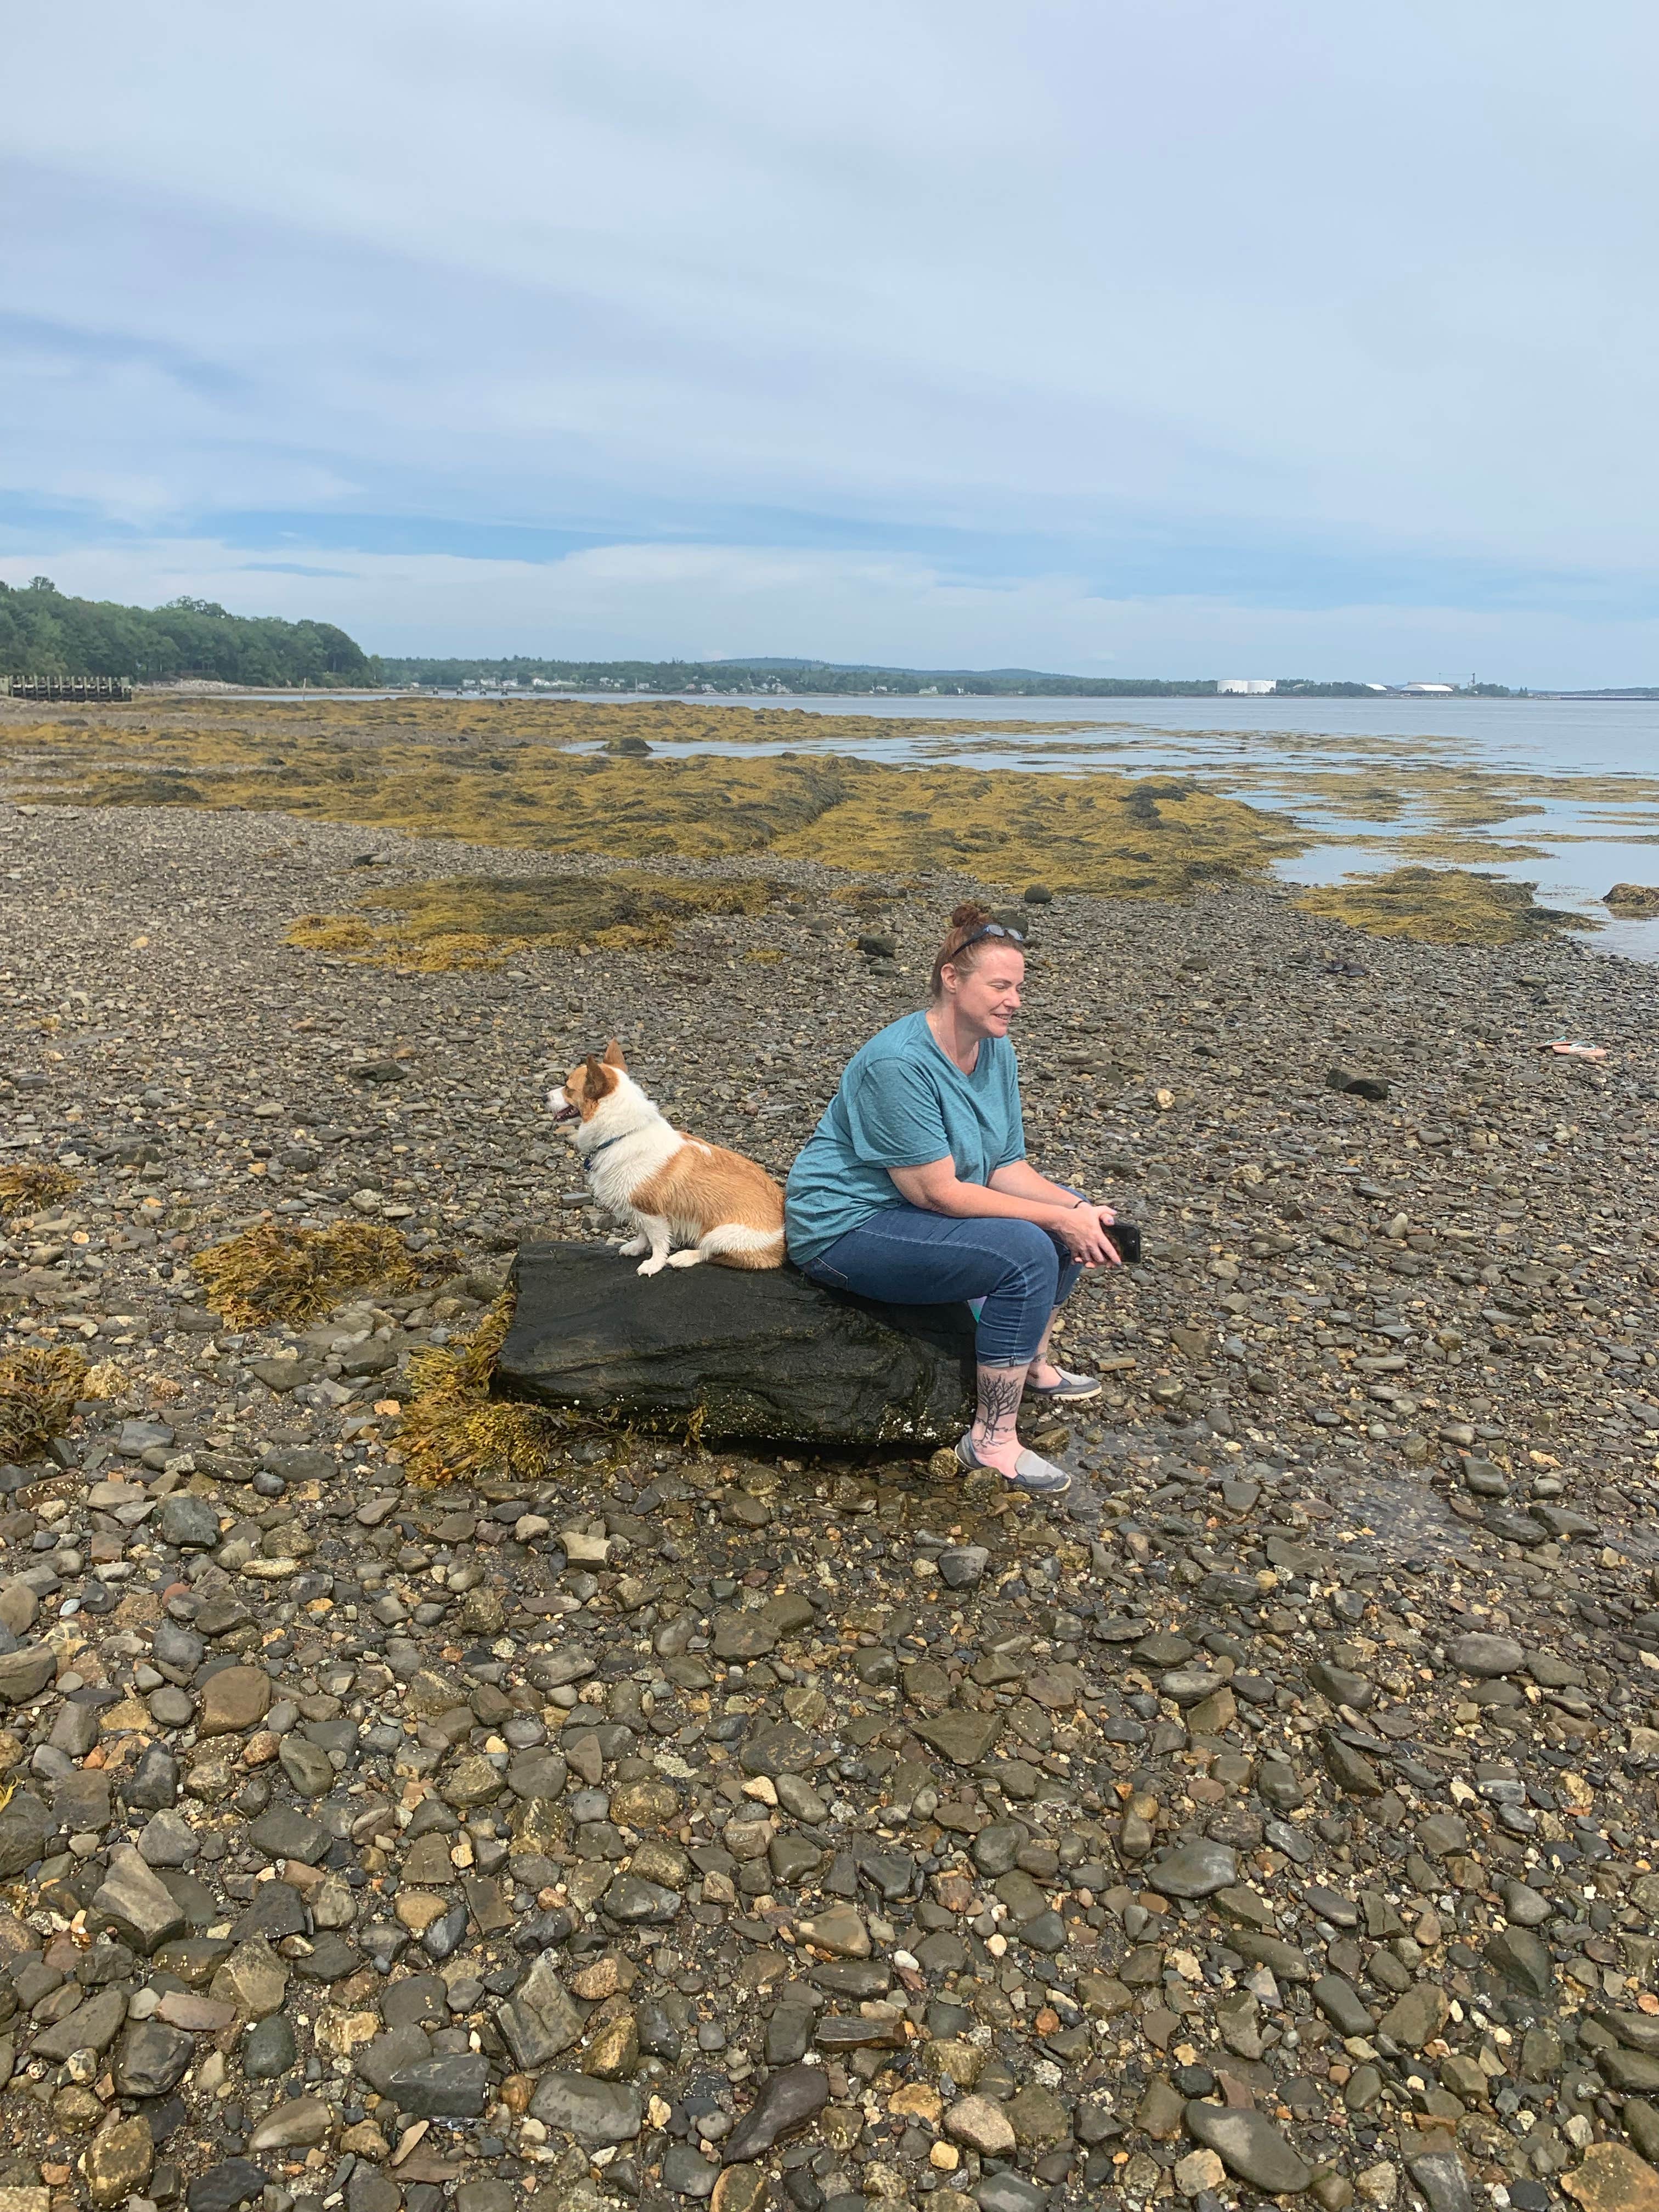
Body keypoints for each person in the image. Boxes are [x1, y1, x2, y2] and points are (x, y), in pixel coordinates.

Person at [785, 900, 1120, 1497]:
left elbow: (1005, 1167)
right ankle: (991, 1441)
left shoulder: (997, 1050)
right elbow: (937, 1194)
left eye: (1018, 987)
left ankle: (1032, 1362)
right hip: (846, 1225)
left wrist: (1076, 1211)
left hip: (911, 1207)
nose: (1014, 1000)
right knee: (1028, 1249)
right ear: (951, 979)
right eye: (999, 986)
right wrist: (1056, 1221)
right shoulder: (898, 1063)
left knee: (1067, 1214)